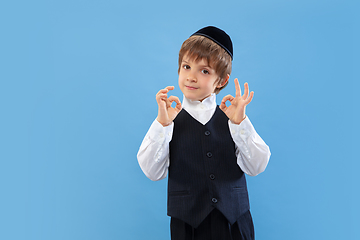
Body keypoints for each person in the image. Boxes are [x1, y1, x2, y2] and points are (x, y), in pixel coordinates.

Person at [137, 26, 271, 240]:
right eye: (186, 66)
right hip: (188, 227)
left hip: (234, 224)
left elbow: (257, 166)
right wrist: (162, 124)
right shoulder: (167, 120)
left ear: (222, 81)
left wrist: (240, 123)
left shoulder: (234, 118)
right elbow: (152, 172)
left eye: (205, 71)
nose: (191, 77)